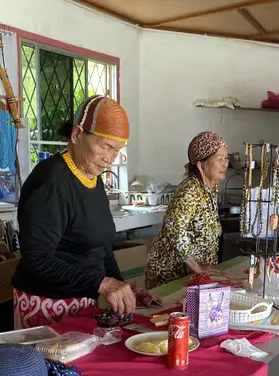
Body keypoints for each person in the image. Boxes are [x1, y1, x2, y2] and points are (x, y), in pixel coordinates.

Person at [12, 95, 154, 328]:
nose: (110, 159)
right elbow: (37, 259)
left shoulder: (92, 177)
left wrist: (123, 288)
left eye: (117, 151)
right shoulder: (51, 182)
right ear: (77, 134)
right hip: (46, 303)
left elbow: (101, 246)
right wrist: (104, 284)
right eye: (105, 146)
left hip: (82, 299)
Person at [144, 132, 228, 289]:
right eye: (219, 158)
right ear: (201, 164)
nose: (225, 164)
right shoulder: (189, 190)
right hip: (171, 275)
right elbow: (175, 229)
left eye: (226, 158)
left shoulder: (208, 190)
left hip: (192, 277)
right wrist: (196, 267)